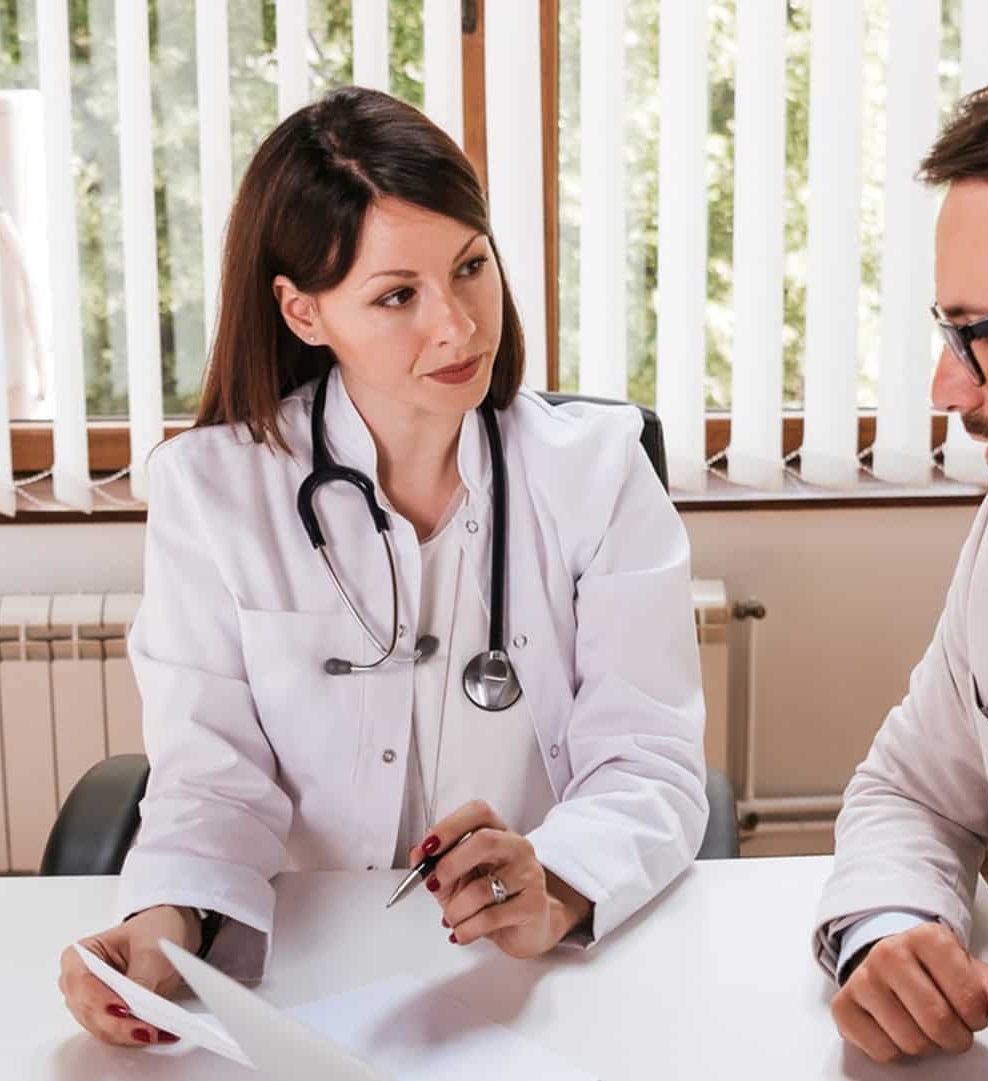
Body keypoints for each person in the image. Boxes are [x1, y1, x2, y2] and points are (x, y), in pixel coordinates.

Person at [58, 86, 708, 1047]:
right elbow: (211, 781)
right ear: (303, 311)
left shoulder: (596, 472)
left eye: (471, 267)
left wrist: (559, 878)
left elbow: (648, 761)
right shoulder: (214, 493)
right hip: (296, 983)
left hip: (531, 981)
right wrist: (169, 925)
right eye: (397, 294)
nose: (458, 326)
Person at [814, 55, 988, 1062]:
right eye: (947, 329)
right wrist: (894, 929)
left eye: (980, 332)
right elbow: (914, 789)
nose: (948, 386)